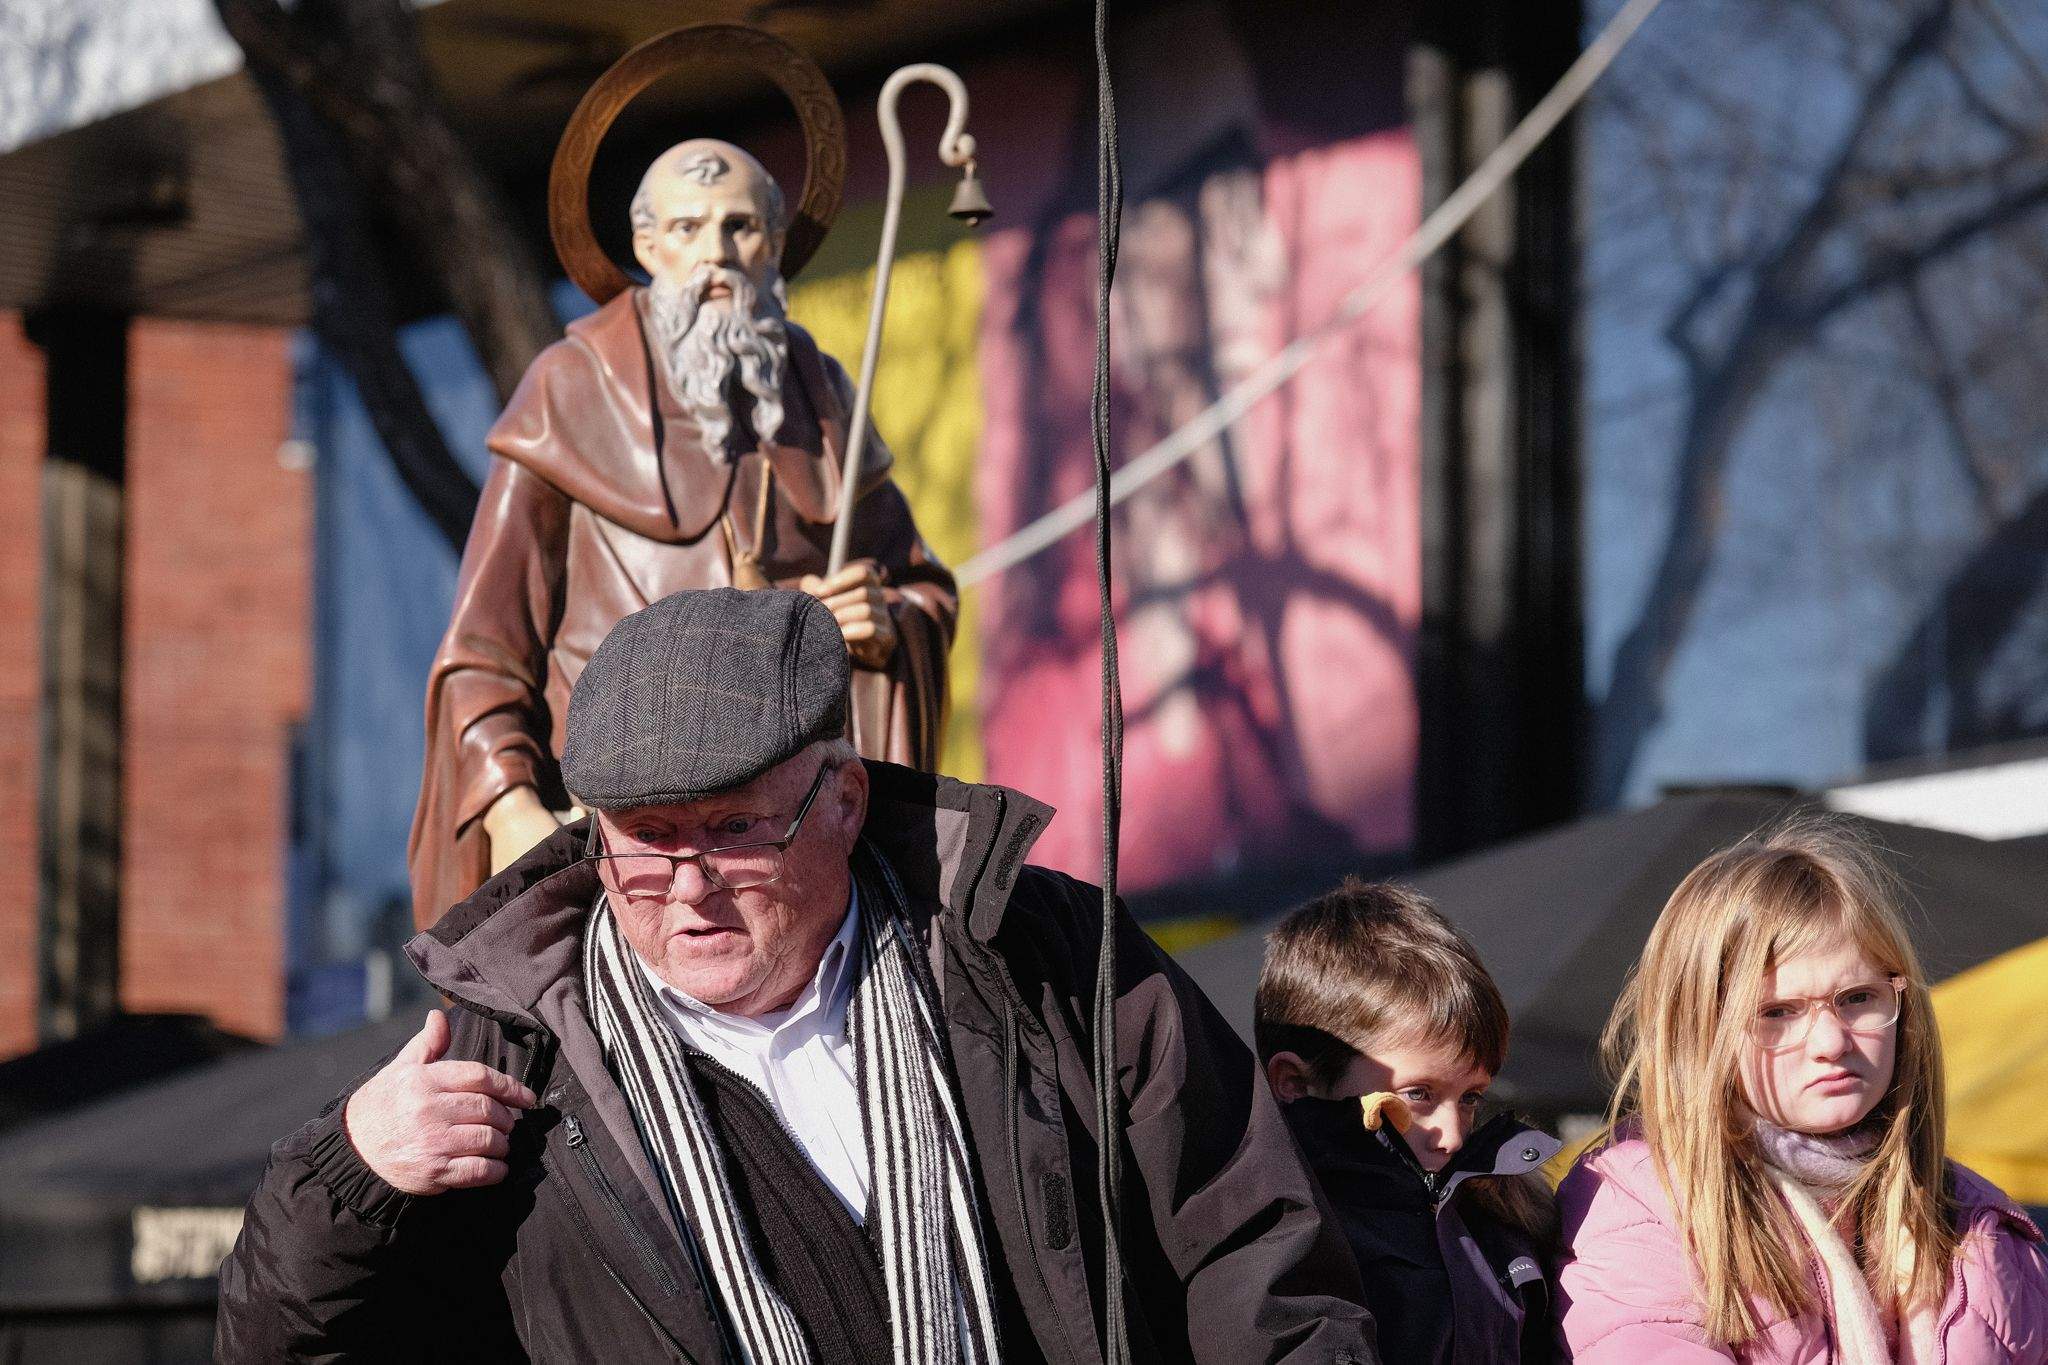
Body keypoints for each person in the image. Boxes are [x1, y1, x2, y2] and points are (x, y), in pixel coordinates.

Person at [221, 587, 1377, 1363]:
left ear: (845, 799)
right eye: (643, 840)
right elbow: (276, 1345)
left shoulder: (1045, 960)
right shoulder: (503, 1060)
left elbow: (1256, 1252)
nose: (686, 888)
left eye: (733, 832)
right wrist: (345, 1178)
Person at [408, 138, 957, 930]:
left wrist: (883, 624)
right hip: (626, 847)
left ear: (776, 243)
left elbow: (919, 587)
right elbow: (481, 654)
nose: (717, 253)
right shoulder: (569, 391)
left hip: (786, 845)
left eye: (741, 226)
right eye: (689, 227)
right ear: (647, 246)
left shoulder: (822, 396)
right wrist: (511, 806)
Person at [1555, 819, 2048, 1363]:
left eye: (1858, 998)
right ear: (1697, 1030)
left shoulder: (1977, 1222)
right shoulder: (1641, 1202)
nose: (1832, 1042)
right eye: (1777, 1012)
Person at [1255, 877, 1561, 1364]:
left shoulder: (1505, 1219)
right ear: (1294, 1082)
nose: (1454, 1136)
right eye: (1418, 1094)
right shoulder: (1276, 1236)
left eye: (1471, 1097)